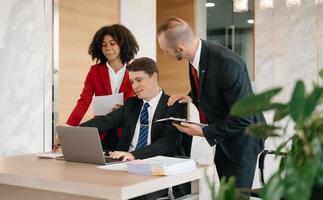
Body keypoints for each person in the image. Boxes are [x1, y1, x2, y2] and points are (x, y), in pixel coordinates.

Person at [157, 17, 266, 190]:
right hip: (224, 136)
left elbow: (244, 118)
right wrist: (190, 97)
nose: (164, 54)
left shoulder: (227, 63)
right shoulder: (195, 55)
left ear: (180, 48)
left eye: (165, 50)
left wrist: (203, 131)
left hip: (243, 140)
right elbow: (210, 85)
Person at [80, 57, 187, 199]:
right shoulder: (132, 104)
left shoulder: (174, 106)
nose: (135, 86)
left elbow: (167, 142)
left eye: (139, 80)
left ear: (154, 76)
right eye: (131, 82)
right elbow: (106, 121)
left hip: (153, 170)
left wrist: (135, 154)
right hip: (124, 168)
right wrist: (74, 131)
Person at [66, 24, 138, 152]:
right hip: (102, 129)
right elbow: (84, 101)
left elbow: (141, 99)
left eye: (112, 43)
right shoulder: (95, 72)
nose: (108, 48)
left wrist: (125, 108)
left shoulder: (135, 70)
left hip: (126, 129)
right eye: (104, 45)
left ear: (123, 44)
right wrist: (68, 128)